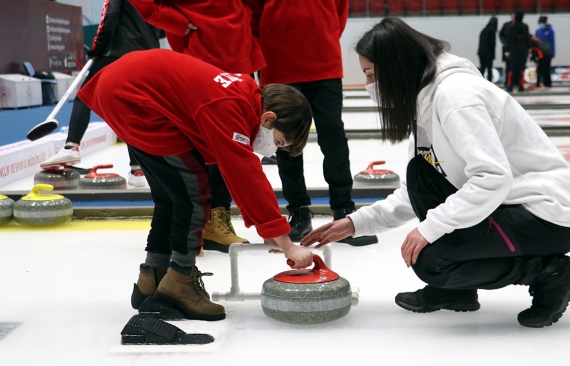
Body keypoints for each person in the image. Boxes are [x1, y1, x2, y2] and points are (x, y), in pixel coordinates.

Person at [302, 18, 570, 328]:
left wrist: (430, 228)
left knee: (432, 261)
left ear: (396, 67)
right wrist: (356, 223)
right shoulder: (425, 103)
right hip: (510, 205)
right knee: (420, 174)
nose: (370, 85)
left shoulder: (455, 98)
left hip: (546, 216)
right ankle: (458, 293)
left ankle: (552, 273)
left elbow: (491, 178)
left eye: (372, 74)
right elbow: (419, 190)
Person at [76, 49, 314, 320]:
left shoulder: (240, 95)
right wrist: (286, 241)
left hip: (122, 87)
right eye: (280, 142)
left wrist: (266, 227)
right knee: (194, 194)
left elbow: (233, 168)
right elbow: (244, 173)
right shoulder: (229, 105)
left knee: (171, 194)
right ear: (269, 118)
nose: (273, 150)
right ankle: (180, 280)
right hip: (134, 97)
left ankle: (153, 275)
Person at [130, 0, 267, 252]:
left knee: (233, 144)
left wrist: (246, 25)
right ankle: (192, 225)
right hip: (199, 50)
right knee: (193, 145)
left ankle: (216, 222)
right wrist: (177, 23)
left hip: (237, 49)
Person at [246, 0, 378, 246]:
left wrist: (324, 35)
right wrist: (269, 44)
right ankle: (299, 211)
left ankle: (343, 211)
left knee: (333, 137)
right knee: (286, 141)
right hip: (279, 63)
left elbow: (339, 11)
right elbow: (253, 14)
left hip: (324, 62)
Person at [40, 0, 164, 187]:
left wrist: (97, 48)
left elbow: (110, 14)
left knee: (84, 95)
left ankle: (71, 146)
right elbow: (162, 25)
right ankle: (138, 170)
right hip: (149, 51)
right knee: (133, 109)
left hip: (117, 50)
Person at [505, 10, 530, 92]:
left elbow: (508, 40)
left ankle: (509, 86)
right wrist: (528, 49)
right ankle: (521, 86)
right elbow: (527, 39)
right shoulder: (525, 26)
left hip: (513, 51)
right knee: (521, 69)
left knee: (512, 69)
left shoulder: (511, 27)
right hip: (523, 51)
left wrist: (507, 51)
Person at [534, 16, 555, 88]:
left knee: (546, 69)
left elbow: (552, 43)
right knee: (540, 69)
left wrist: (553, 53)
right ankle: (539, 83)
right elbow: (535, 42)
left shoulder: (550, 31)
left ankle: (548, 83)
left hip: (547, 53)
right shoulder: (538, 31)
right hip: (540, 53)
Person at [477, 17, 497, 82]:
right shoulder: (492, 30)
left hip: (481, 52)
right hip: (488, 53)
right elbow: (492, 43)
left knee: (482, 69)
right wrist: (492, 53)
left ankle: (480, 82)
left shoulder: (484, 29)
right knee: (489, 69)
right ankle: (489, 82)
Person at [498, 13, 515, 86]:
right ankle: (508, 82)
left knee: (515, 67)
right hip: (508, 49)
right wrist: (504, 42)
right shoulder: (506, 25)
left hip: (516, 50)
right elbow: (501, 34)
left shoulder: (519, 25)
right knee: (508, 66)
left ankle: (514, 81)